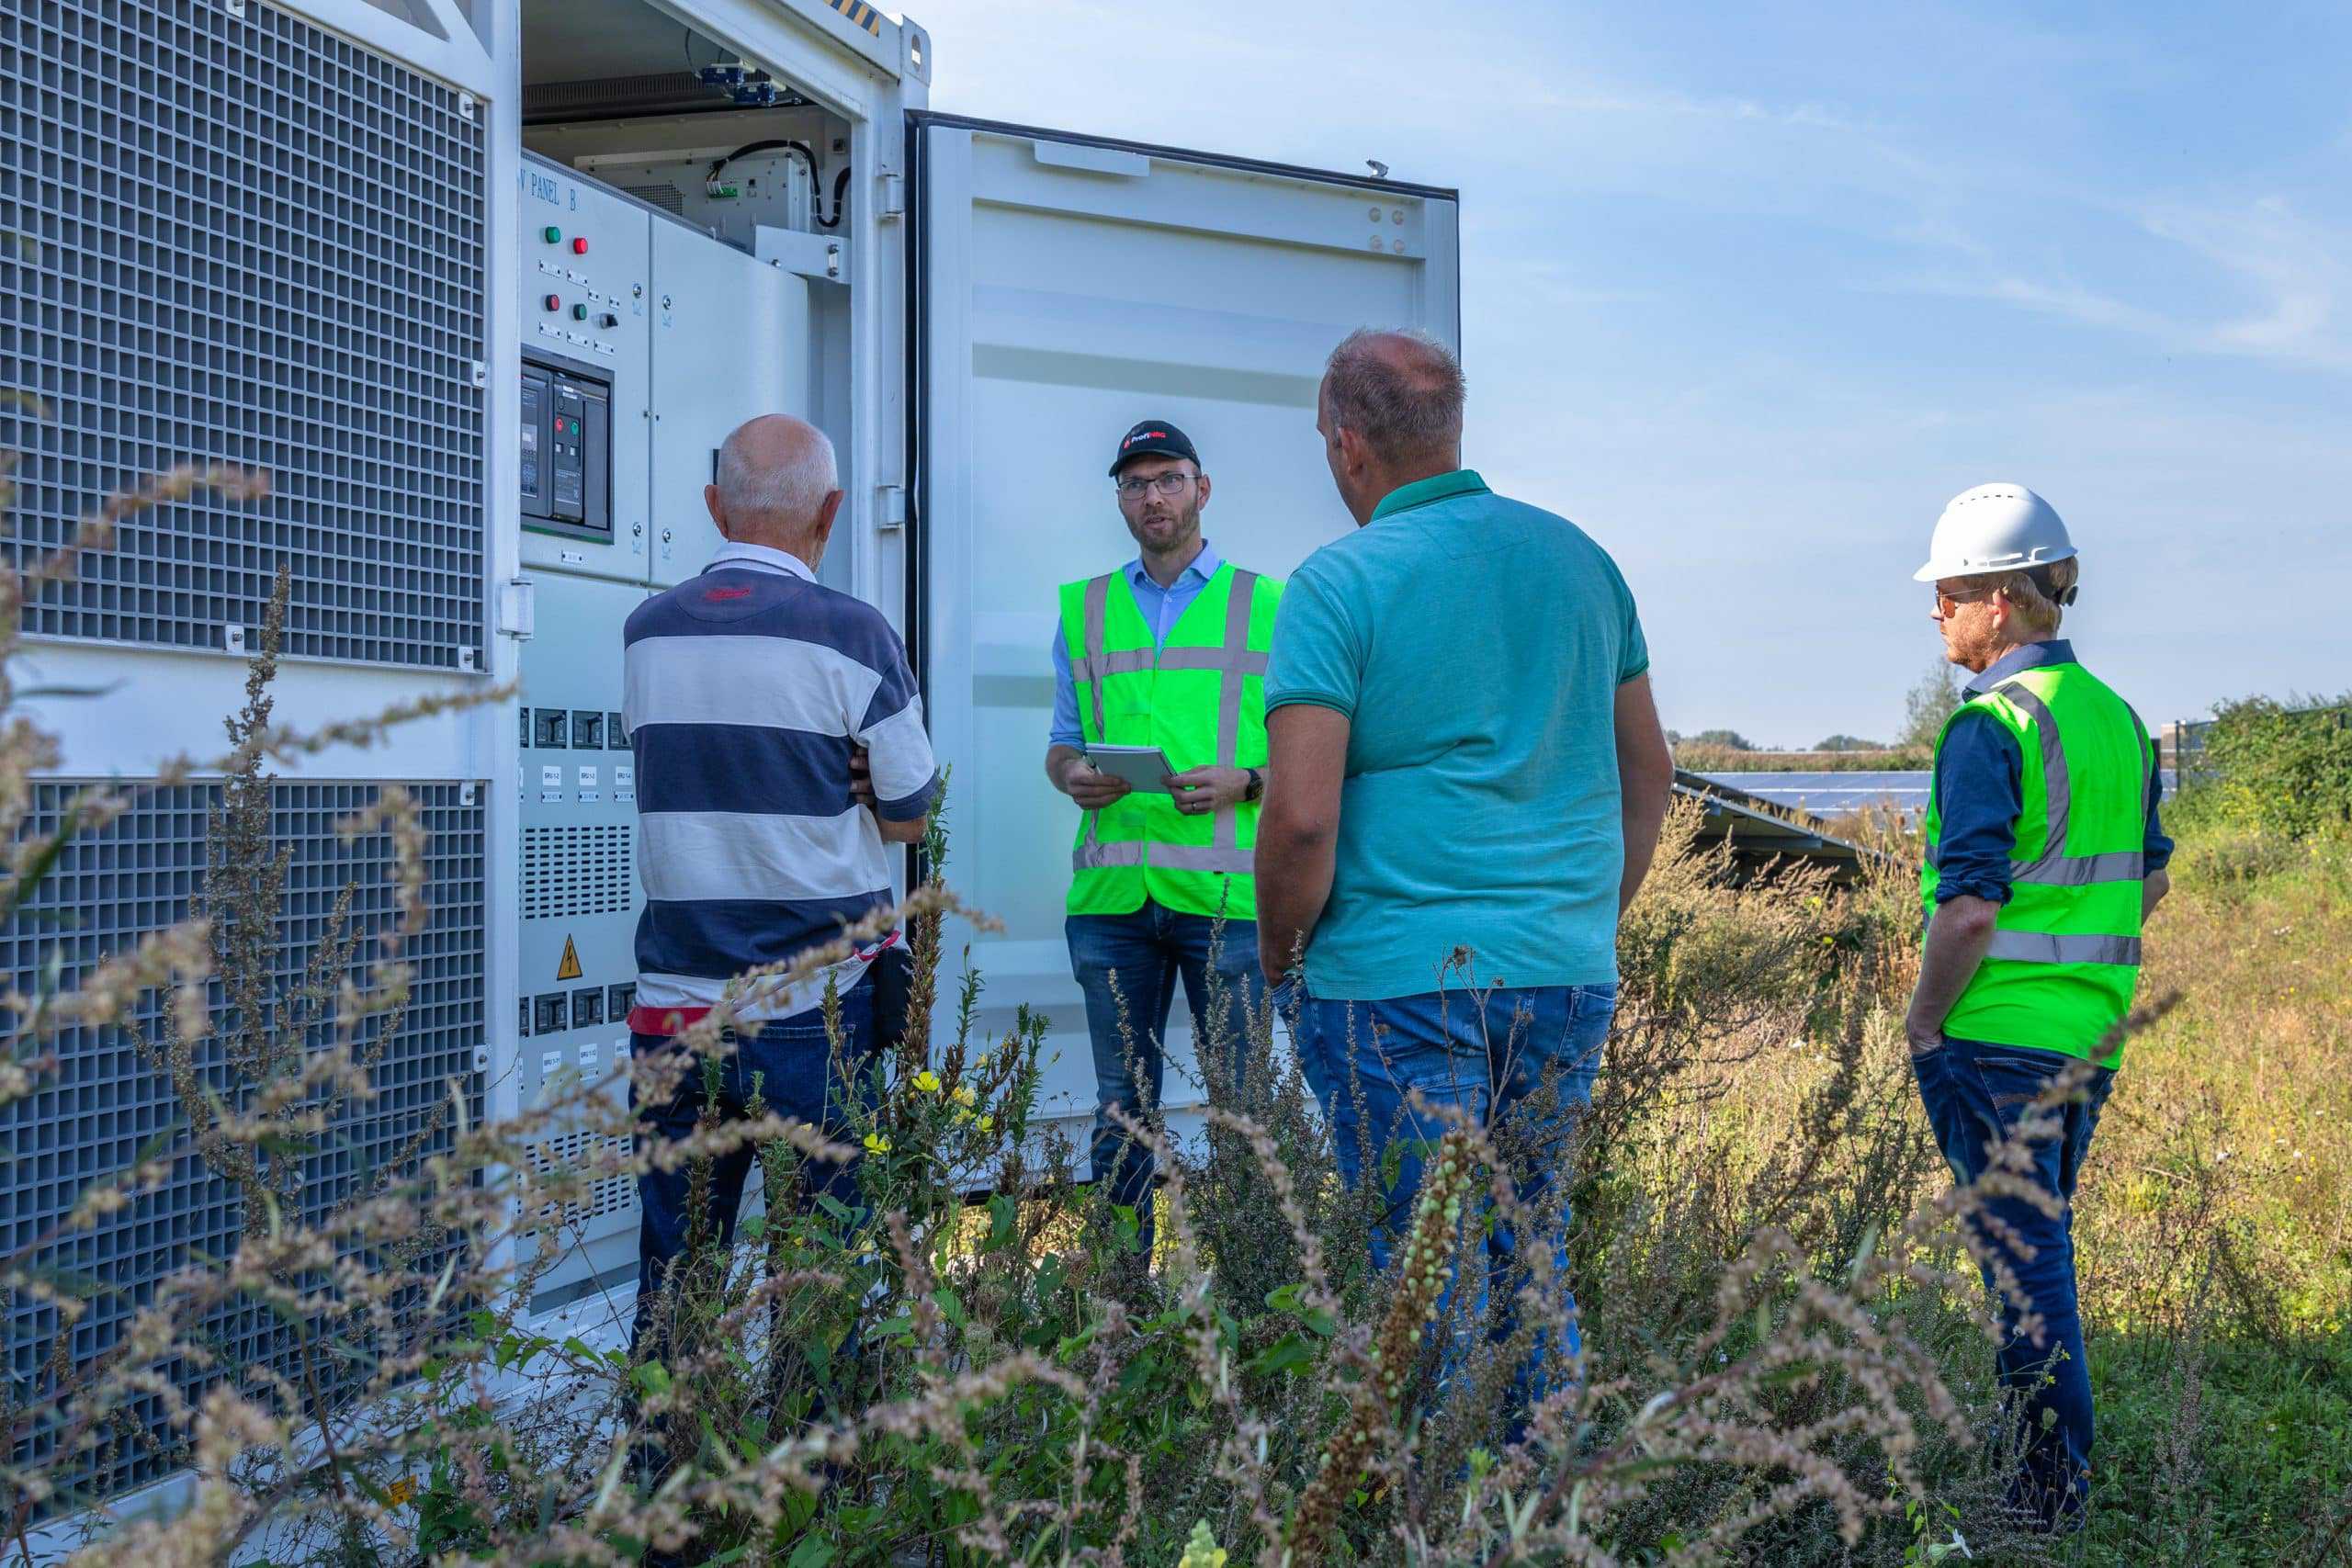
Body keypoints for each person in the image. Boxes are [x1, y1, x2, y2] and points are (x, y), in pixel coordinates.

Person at [1254, 328, 1675, 1414]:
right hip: (1562, 976)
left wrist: (1280, 962)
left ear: (1347, 446)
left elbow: (1299, 820)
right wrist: (1583, 921)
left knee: (1422, 1288)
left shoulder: (1338, 583)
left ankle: (1439, 1523)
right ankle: (1544, 1516)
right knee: (1531, 1266)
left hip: (1396, 987)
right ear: (1451, 432)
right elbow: (1650, 777)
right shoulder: (1581, 562)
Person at [621, 413, 939, 1371]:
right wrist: (843, 774)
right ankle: (814, 1498)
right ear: (831, 514)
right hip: (814, 1015)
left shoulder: (646, 634)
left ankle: (661, 1489)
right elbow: (911, 810)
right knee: (821, 1282)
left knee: (677, 1276)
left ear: (714, 506)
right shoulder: (852, 634)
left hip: (671, 1015)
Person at [1904, 482, 2170, 1530]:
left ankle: (2045, 1504)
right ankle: (2042, 1485)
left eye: (1950, 593)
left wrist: (1925, 1022)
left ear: (2003, 602)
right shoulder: (2119, 720)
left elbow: (1969, 908)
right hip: (2084, 1041)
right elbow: (2147, 881)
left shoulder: (1990, 726)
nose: (1936, 613)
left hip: (1995, 1039)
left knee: (2024, 1272)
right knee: (2034, 1253)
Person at [1045, 419, 1283, 1258]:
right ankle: (1122, 1304)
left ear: (1202, 488)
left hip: (1226, 903)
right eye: (1135, 483)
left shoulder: (1270, 604)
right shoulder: (1086, 608)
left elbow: (1320, 756)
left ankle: (1259, 1302)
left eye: (1168, 479)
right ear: (1119, 498)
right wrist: (1073, 775)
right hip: (1113, 902)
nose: (1152, 496)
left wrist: (1245, 782)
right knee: (1122, 1110)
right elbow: (1062, 746)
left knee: (1243, 1109)